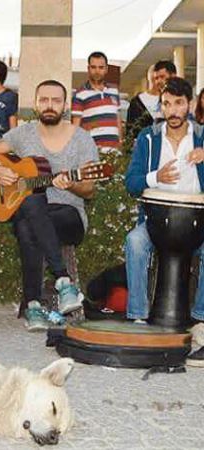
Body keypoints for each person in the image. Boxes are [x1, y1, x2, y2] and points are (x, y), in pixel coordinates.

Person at [0, 80, 99, 330]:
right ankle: (62, 285)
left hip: (69, 216)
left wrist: (71, 184)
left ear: (65, 105)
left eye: (56, 100)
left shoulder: (81, 139)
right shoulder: (22, 133)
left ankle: (35, 304)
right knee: (31, 208)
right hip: (31, 215)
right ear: (35, 104)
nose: (50, 105)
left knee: (28, 216)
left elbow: (89, 190)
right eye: (44, 100)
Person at [123, 78, 204, 367]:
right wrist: (156, 177)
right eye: (167, 103)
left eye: (179, 103)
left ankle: (199, 319)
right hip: (156, 219)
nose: (172, 110)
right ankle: (138, 317)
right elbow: (131, 183)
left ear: (190, 105)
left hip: (197, 221)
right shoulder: (147, 137)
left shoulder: (203, 136)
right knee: (135, 241)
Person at [71, 51, 122, 152]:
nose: (97, 71)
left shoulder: (114, 91)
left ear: (106, 69)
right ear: (88, 69)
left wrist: (120, 144)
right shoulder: (80, 94)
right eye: (93, 67)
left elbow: (118, 120)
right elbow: (76, 129)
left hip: (114, 153)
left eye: (101, 67)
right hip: (92, 152)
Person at [126, 60, 176, 142]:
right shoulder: (137, 102)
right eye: (156, 78)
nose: (159, 81)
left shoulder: (174, 98)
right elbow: (131, 131)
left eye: (162, 77)